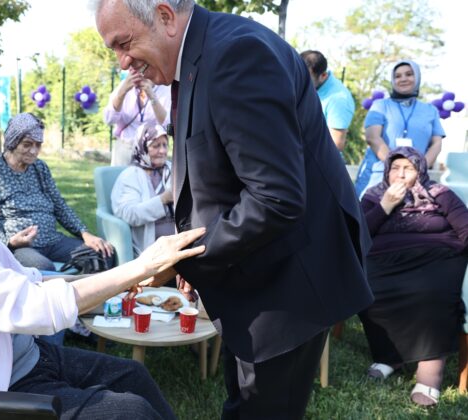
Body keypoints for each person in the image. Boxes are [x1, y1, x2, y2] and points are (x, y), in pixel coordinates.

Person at [94, 1, 374, 418]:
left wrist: (183, 260)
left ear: (166, 17)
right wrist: (197, 255)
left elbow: (274, 197)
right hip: (255, 273)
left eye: (124, 43)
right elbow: (218, 171)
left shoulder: (236, 56)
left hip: (290, 285)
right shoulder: (198, 55)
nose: (122, 62)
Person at [0, 139, 206, 419]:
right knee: (129, 412)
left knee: (131, 374)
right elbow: (39, 308)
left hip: (22, 361)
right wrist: (142, 266)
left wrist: (118, 281)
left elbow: (34, 282)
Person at [358, 147, 467, 407]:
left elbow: (464, 225)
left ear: (420, 170)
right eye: (395, 167)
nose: (401, 174)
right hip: (385, 259)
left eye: (408, 168)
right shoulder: (374, 196)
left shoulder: (440, 193)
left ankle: (430, 372)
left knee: (431, 293)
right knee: (368, 291)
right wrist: (385, 205)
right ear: (386, 171)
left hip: (437, 255)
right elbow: (359, 233)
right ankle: (389, 355)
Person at [0, 112, 114, 271]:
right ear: (12, 142)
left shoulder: (40, 167)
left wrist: (85, 234)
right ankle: (67, 287)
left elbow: (59, 206)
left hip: (52, 240)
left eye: (38, 145)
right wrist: (9, 242)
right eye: (27, 144)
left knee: (102, 254)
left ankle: (81, 290)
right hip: (20, 247)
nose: (34, 151)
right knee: (43, 267)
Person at [354, 60, 445, 198]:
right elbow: (372, 137)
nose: (403, 79)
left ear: (417, 77)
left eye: (409, 74)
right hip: (378, 176)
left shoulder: (430, 110)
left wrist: (417, 170)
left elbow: (437, 143)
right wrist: (396, 169)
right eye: (397, 76)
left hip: (414, 180)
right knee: (368, 217)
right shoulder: (380, 105)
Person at [111, 123, 174, 256]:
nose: (162, 151)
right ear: (143, 146)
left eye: (165, 145)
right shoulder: (131, 176)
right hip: (150, 250)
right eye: (156, 146)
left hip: (179, 243)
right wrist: (163, 199)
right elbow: (130, 214)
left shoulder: (174, 169)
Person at [104, 66, 171, 166]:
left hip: (152, 150)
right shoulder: (125, 86)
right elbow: (109, 119)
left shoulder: (165, 89)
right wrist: (122, 92)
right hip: (125, 148)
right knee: (122, 180)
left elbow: (168, 124)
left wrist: (151, 95)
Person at [299, 50, 355, 153]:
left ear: (323, 76)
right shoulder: (311, 87)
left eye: (306, 78)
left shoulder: (338, 99)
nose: (299, 81)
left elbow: (336, 144)